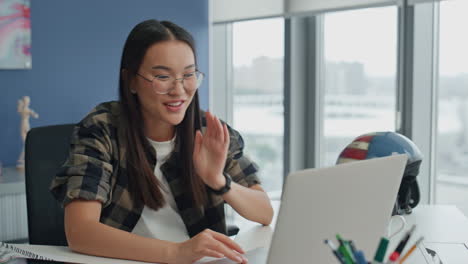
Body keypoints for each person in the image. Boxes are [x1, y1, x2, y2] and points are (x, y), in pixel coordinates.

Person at [50, 19, 273, 264]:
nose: (179, 90)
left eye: (188, 74)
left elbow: (264, 212)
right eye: (163, 76)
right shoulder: (102, 129)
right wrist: (176, 252)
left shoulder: (207, 130)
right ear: (131, 80)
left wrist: (219, 182)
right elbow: (80, 232)